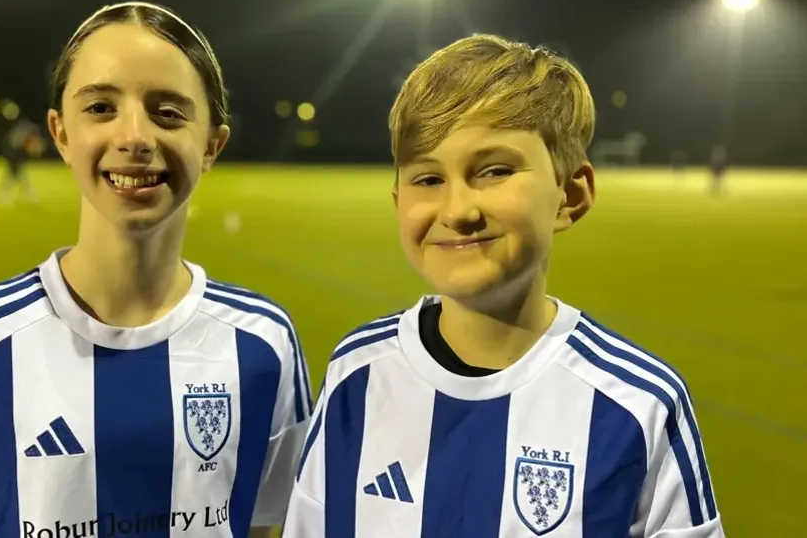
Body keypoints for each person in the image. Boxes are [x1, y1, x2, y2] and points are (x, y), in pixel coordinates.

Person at [0, 2, 312, 538]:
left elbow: (274, 519)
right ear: (59, 132)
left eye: (168, 112)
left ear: (212, 145)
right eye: (101, 107)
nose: (135, 137)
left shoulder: (265, 341)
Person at [284, 34, 723, 537]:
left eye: (494, 171)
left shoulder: (638, 402)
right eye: (428, 179)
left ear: (570, 195)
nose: (458, 211)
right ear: (397, 202)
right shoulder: (356, 372)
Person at [0, 118, 39, 204]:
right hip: (12, 153)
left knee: (14, 174)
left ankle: (8, 194)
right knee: (15, 174)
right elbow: (19, 145)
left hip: (13, 152)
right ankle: (26, 193)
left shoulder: (20, 132)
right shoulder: (23, 134)